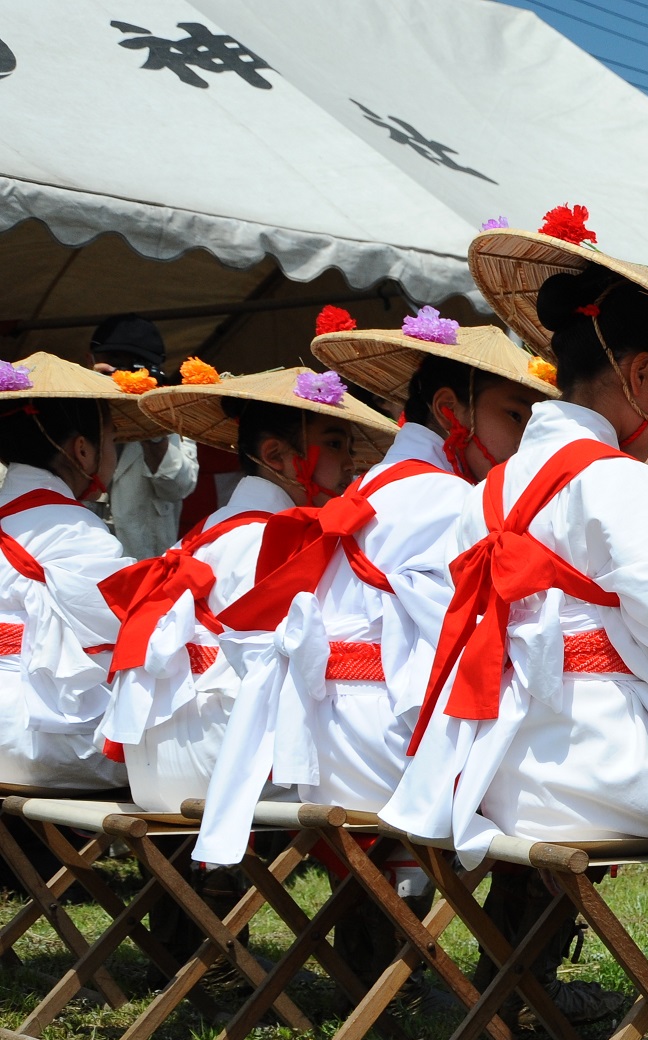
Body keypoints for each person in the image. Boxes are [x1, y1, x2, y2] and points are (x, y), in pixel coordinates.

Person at [381, 209, 648, 864]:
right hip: (610, 779)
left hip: (497, 780)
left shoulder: (486, 494)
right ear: (643, 375)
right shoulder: (627, 486)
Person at [191, 307, 558, 992]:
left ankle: (382, 956)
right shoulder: (450, 500)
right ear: (451, 410)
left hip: (326, 748)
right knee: (568, 766)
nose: (521, 443)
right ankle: (525, 992)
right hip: (378, 746)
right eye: (515, 418)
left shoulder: (367, 489)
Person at [109, 365, 397, 813]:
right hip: (222, 765)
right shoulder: (273, 539)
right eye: (336, 443)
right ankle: (393, 880)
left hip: (155, 764)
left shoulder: (205, 532)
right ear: (276, 456)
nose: (350, 463)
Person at [0, 353, 155, 791]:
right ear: (82, 450)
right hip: (32, 739)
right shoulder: (73, 527)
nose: (113, 452)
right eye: (112, 439)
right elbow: (131, 636)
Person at [88, 315, 199, 561]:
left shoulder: (173, 417)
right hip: (86, 566)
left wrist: (153, 428)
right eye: (114, 363)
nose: (124, 375)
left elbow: (179, 487)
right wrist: (87, 394)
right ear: (92, 360)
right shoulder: (74, 409)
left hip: (145, 567)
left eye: (136, 366)